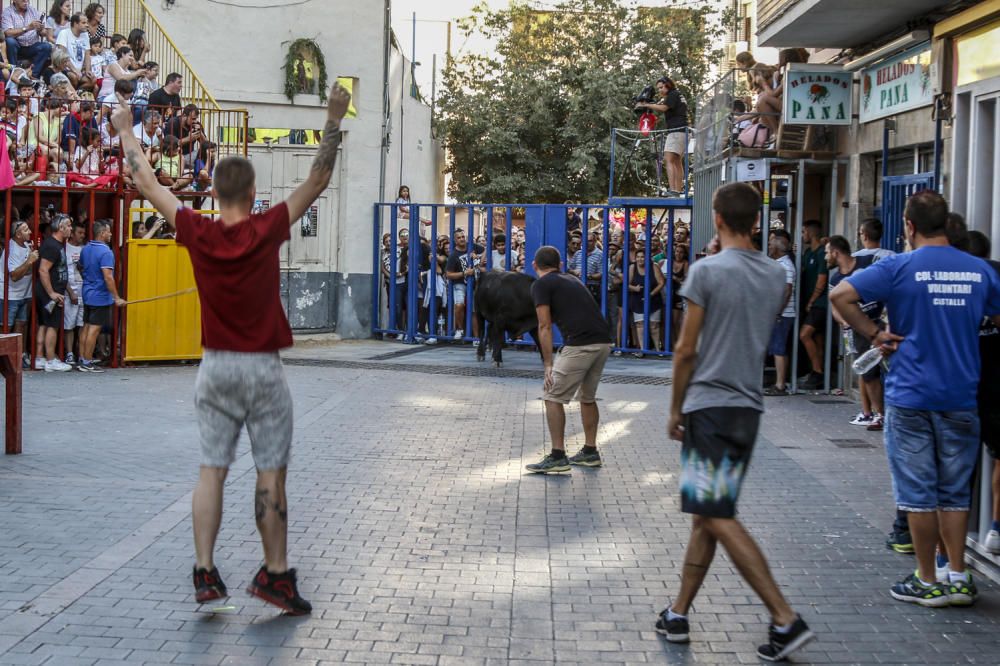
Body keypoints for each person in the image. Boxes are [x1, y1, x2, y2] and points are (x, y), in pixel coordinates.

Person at [112, 82, 350, 612]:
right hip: (263, 370)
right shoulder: (266, 228)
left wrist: (128, 128)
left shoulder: (196, 230)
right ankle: (275, 576)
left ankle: (204, 573)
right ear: (251, 192)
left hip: (214, 368)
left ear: (215, 193)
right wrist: (332, 116)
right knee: (270, 472)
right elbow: (319, 177)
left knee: (211, 470)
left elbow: (145, 179)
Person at [660, 183, 815, 660]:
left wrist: (674, 407)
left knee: (716, 514)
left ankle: (784, 617)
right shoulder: (773, 275)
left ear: (717, 217)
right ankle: (679, 612)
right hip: (747, 406)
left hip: (710, 405)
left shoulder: (707, 272)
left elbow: (687, 348)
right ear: (755, 222)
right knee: (707, 515)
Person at [830, 191, 1000, 608]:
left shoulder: (899, 267)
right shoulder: (980, 271)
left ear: (908, 226)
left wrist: (874, 333)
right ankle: (958, 576)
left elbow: (840, 297)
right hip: (961, 394)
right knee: (955, 491)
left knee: (919, 493)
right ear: (946, 223)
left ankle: (928, 579)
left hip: (910, 394)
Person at [525, 245, 612, 473]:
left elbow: (543, 325)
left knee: (552, 396)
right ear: (560, 264)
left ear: (535, 265)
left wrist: (548, 365)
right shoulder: (571, 279)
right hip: (603, 341)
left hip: (581, 343)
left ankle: (557, 456)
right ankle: (590, 452)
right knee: (587, 397)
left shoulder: (541, 284)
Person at [826, 235, 884, 430]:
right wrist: (846, 322)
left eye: (827, 252)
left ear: (835, 252)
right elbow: (835, 307)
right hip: (858, 330)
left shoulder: (867, 263)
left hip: (880, 323)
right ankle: (879, 414)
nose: (826, 256)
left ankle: (881, 414)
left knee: (887, 370)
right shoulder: (835, 279)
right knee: (867, 372)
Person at [967, 230, 1000, 554]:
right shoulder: (996, 273)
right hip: (994, 384)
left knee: (958, 470)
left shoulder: (963, 278)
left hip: (962, 386)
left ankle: (946, 558)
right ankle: (995, 528)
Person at [76, 218, 121, 372]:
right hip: (100, 296)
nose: (110, 234)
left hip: (87, 292)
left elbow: (80, 267)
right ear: (102, 233)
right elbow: (108, 277)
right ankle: (87, 362)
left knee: (86, 327)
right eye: (108, 231)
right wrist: (116, 297)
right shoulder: (106, 252)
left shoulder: (86, 248)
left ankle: (82, 358)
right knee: (94, 330)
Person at [635, 76, 688, 196]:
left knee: (668, 159)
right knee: (677, 161)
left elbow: (664, 108)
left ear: (668, 85)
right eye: (658, 88)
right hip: (682, 131)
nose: (660, 91)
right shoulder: (677, 94)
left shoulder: (673, 94)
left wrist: (646, 105)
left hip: (676, 131)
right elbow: (661, 105)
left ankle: (673, 190)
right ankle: (677, 190)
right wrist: (649, 104)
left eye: (661, 87)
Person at [34, 214, 74, 372]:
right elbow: (43, 270)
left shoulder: (55, 244)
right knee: (52, 325)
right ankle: (50, 360)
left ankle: (39, 357)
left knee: (45, 324)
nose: (71, 228)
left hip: (51, 291)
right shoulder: (52, 245)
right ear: (61, 228)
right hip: (50, 292)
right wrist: (51, 293)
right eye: (69, 226)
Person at [798, 219, 828, 390]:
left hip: (819, 304)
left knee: (805, 334)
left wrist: (811, 301)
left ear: (810, 233)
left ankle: (817, 372)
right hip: (811, 302)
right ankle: (817, 371)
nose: (803, 236)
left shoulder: (822, 253)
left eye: (803, 232)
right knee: (817, 338)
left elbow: (822, 280)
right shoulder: (809, 252)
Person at [3, 220, 38, 368]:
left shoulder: (26, 246)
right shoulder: (11, 248)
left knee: (21, 327)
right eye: (25, 230)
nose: (29, 231)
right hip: (10, 295)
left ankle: (16, 358)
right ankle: (3, 359)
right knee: (6, 329)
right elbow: (14, 276)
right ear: (17, 234)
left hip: (25, 294)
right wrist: (30, 261)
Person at [764, 231, 795, 395]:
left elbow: (787, 291)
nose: (769, 246)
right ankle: (779, 383)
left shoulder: (786, 265)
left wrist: (777, 312)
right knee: (777, 348)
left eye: (770, 243)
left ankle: (780, 385)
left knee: (778, 349)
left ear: (778, 245)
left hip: (783, 314)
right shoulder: (779, 263)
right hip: (780, 313)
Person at [444, 228, 484, 340]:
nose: (462, 239)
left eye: (463, 236)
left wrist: (478, 257)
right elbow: (448, 274)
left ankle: (476, 338)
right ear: (455, 240)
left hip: (475, 283)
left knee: (474, 310)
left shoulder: (473, 246)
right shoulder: (453, 255)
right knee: (459, 305)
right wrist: (464, 273)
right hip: (460, 284)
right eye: (459, 238)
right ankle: (460, 330)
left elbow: (487, 250)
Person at [628, 247, 665, 354]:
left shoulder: (654, 266)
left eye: (642, 257)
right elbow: (627, 284)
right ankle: (643, 349)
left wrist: (651, 294)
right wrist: (634, 288)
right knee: (640, 324)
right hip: (637, 298)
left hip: (653, 298)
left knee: (654, 325)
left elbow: (661, 282)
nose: (640, 259)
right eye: (638, 257)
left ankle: (658, 350)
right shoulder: (632, 267)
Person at [2, 0, 53, 78]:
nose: (26, 1)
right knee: (10, 41)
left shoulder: (33, 11)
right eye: (23, 0)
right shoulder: (8, 12)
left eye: (27, 0)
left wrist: (41, 29)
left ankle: (32, 76)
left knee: (47, 47)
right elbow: (8, 33)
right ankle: (14, 73)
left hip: (32, 46)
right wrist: (28, 28)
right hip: (17, 46)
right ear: (14, 1)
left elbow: (44, 33)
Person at [62, 222, 85, 364]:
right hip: (70, 290)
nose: (82, 236)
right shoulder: (64, 249)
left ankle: (82, 354)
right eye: (79, 233)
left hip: (83, 289)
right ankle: (69, 353)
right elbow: (62, 273)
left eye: (83, 233)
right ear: (72, 233)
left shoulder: (84, 249)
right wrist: (70, 292)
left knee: (81, 324)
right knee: (69, 324)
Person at [55, 13, 90, 88]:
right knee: (74, 77)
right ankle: (74, 96)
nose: (87, 25)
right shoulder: (64, 33)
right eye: (83, 23)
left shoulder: (85, 35)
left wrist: (88, 71)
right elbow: (63, 56)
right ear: (75, 23)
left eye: (87, 22)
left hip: (80, 71)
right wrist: (75, 70)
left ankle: (77, 93)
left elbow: (87, 55)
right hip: (66, 69)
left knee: (93, 80)